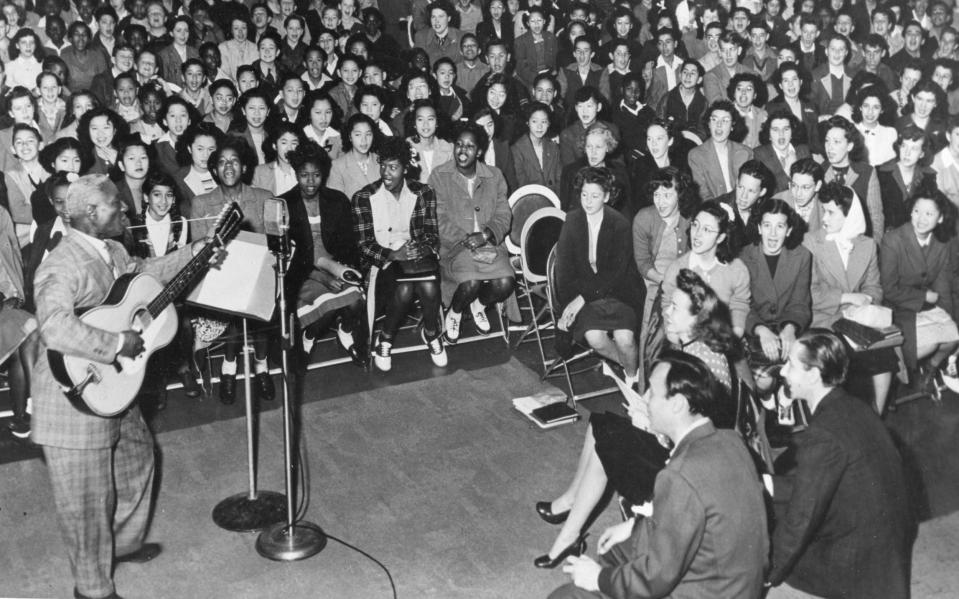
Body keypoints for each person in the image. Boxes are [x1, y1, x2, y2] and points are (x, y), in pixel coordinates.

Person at [31, 174, 208, 599]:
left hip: (113, 387)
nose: (126, 209)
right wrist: (115, 344)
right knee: (88, 503)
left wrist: (196, 252)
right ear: (91, 213)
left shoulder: (112, 248)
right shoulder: (61, 263)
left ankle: (122, 544)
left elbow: (142, 274)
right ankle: (92, 589)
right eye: (116, 204)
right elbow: (54, 327)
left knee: (138, 457)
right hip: (73, 394)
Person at [549, 349, 768, 599]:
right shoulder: (730, 440)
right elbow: (698, 514)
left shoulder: (678, 476)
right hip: (736, 585)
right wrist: (633, 525)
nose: (646, 400)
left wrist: (596, 578)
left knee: (566, 595)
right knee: (616, 551)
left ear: (677, 405)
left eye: (652, 393)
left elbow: (657, 578)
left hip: (703, 592)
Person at [766, 330, 916, 599]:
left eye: (790, 364)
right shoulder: (856, 408)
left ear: (813, 375)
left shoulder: (822, 432)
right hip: (888, 549)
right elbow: (827, 480)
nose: (783, 372)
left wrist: (769, 571)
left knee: (769, 537)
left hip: (855, 563)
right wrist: (768, 484)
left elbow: (803, 516)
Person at [190, 138, 274, 404]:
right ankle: (230, 368)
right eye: (222, 162)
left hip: (258, 275)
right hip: (217, 278)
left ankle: (258, 366)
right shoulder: (201, 203)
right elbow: (199, 253)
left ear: (245, 167)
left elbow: (273, 245)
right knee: (238, 301)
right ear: (214, 170)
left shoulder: (264, 198)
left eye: (234, 161)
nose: (228, 167)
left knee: (258, 296)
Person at [353, 136, 446, 370]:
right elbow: (364, 246)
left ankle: (432, 332)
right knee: (404, 288)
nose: (386, 173)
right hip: (381, 263)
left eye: (393, 167)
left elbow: (432, 234)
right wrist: (393, 255)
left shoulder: (424, 192)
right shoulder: (364, 197)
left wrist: (422, 247)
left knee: (429, 283)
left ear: (405, 168)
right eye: (382, 166)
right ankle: (386, 338)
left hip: (415, 259)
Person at [804, 181, 895, 413]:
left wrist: (865, 301)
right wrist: (847, 298)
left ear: (849, 215)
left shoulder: (867, 245)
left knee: (884, 351)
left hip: (856, 319)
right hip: (824, 319)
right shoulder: (812, 242)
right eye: (824, 210)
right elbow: (810, 293)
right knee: (843, 354)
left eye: (832, 212)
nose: (825, 218)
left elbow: (874, 287)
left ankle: (877, 414)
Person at [554, 164, 645, 385]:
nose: (588, 201)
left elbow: (615, 274)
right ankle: (630, 367)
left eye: (595, 196)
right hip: (582, 294)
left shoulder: (620, 224)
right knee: (594, 337)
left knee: (625, 338)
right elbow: (564, 270)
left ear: (606, 196)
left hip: (619, 292)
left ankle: (633, 379)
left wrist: (581, 299)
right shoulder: (572, 220)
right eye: (584, 194)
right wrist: (569, 303)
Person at [283, 140, 366, 367]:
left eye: (316, 175)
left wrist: (343, 271)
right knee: (328, 308)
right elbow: (284, 256)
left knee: (356, 303)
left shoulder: (337, 200)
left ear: (324, 174)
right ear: (295, 174)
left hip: (334, 266)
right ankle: (309, 337)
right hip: (301, 273)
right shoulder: (283, 204)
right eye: (304, 175)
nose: (310, 182)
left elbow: (349, 246)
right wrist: (320, 276)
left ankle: (345, 331)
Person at [431, 121, 514, 342]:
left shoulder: (494, 176)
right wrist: (466, 240)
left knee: (505, 282)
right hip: (456, 247)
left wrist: (486, 234)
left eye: (469, 146)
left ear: (479, 151)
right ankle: (455, 312)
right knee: (470, 283)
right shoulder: (439, 176)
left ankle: (479, 305)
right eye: (459, 144)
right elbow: (438, 218)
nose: (462, 150)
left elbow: (504, 214)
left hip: (490, 243)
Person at [880, 180, 959, 394]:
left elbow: (943, 287)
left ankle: (931, 368)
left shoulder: (942, 243)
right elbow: (889, 289)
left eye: (928, 214)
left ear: (940, 218)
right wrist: (925, 296)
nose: (920, 219)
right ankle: (897, 376)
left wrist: (952, 319)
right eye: (916, 211)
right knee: (930, 343)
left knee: (953, 336)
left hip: (925, 306)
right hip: (898, 306)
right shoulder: (893, 240)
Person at [740, 198, 812, 365]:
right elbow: (740, 305)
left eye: (780, 226)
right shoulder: (742, 257)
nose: (772, 234)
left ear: (788, 230)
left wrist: (790, 329)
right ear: (759, 228)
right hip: (753, 330)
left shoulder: (802, 256)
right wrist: (761, 330)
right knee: (766, 379)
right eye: (767, 225)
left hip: (788, 328)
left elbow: (800, 303)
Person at [662, 201, 751, 337]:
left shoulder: (737, 269)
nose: (697, 234)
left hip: (724, 338)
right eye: (695, 225)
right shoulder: (677, 269)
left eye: (707, 230)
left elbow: (739, 305)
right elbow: (668, 307)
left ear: (720, 237)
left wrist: (734, 337)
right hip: (686, 338)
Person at [755, 111, 812, 194]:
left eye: (786, 129)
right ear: (769, 135)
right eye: (775, 130)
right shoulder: (760, 154)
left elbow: (811, 184)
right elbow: (766, 192)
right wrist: (787, 171)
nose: (781, 134)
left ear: (792, 132)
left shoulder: (804, 151)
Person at [510, 101, 561, 196]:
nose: (539, 126)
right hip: (529, 202)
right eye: (534, 121)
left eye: (544, 122)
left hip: (553, 201)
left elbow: (559, 180)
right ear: (527, 123)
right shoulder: (516, 149)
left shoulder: (554, 148)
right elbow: (521, 185)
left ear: (549, 123)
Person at [328, 112, 380, 199]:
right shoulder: (337, 166)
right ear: (350, 137)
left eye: (368, 134)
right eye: (358, 135)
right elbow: (336, 204)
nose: (364, 140)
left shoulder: (381, 160)